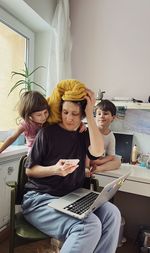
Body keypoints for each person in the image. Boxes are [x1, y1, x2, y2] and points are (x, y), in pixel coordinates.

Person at [22, 80, 121, 253]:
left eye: (75, 114)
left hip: (72, 197)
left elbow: (97, 152)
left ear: (82, 113)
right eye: (65, 112)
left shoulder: (83, 134)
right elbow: (29, 170)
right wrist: (54, 169)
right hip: (40, 199)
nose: (69, 118)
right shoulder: (47, 133)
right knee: (89, 226)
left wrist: (91, 114)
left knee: (112, 214)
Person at [87, 99, 121, 174]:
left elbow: (111, 156)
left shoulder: (111, 136)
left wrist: (100, 161)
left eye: (105, 114)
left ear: (113, 118)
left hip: (99, 161)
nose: (101, 116)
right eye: (99, 114)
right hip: (88, 158)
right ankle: (90, 167)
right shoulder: (90, 130)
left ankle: (97, 169)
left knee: (117, 161)